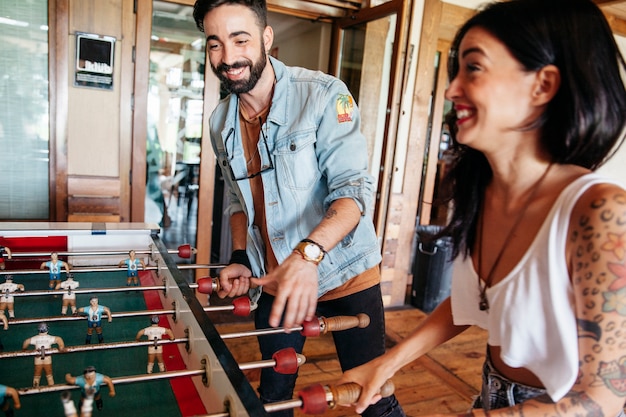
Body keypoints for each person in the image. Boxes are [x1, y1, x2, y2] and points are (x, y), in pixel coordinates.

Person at [338, 1, 626, 417]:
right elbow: (472, 301)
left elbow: (602, 397)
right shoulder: (486, 191)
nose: (452, 89)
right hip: (493, 395)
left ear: (542, 85)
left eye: (473, 68)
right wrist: (387, 362)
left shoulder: (599, 213)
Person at [191, 1, 404, 416]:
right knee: (274, 395)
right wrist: (239, 257)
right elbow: (239, 201)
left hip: (346, 273)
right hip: (275, 279)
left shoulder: (324, 95)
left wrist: (308, 256)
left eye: (240, 40)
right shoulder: (221, 122)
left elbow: (352, 194)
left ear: (267, 38)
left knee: (372, 396)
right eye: (215, 44)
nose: (228, 58)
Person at [22, 322, 66, 387]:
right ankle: (52, 387)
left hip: (38, 358)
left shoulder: (35, 338)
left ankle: (35, 388)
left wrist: (24, 349)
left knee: (37, 375)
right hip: (47, 358)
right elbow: (58, 339)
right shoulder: (49, 338)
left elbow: (26, 342)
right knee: (49, 375)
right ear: (47, 330)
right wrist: (61, 346)